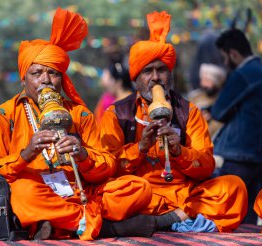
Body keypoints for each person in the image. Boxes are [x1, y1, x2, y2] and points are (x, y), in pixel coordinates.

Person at [0, 8, 163, 241]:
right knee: (21, 194)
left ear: (62, 78)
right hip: (38, 192)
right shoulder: (2, 116)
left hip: (80, 192)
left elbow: (108, 165)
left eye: (53, 74)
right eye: (37, 73)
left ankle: (60, 225)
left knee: (137, 188)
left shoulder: (79, 114)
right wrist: (26, 154)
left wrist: (82, 154)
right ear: (23, 79)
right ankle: (96, 226)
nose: (46, 80)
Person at [100, 11, 247, 233]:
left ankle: (162, 221)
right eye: (148, 71)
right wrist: (140, 148)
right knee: (108, 194)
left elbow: (206, 165)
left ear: (170, 74)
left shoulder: (188, 111)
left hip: (184, 196)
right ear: (137, 78)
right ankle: (175, 219)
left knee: (233, 187)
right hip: (139, 194)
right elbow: (106, 166)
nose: (156, 78)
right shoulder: (117, 113)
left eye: (162, 70)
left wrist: (179, 151)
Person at [211, 28, 262, 224]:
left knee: (223, 212)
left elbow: (218, 111)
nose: (225, 63)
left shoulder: (243, 74)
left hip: (239, 154)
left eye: (225, 57)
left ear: (233, 54)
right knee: (249, 216)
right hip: (261, 157)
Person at [188, 63, 226, 139]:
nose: (203, 84)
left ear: (216, 82)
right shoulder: (195, 98)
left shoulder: (223, 100)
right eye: (203, 79)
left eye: (207, 80)